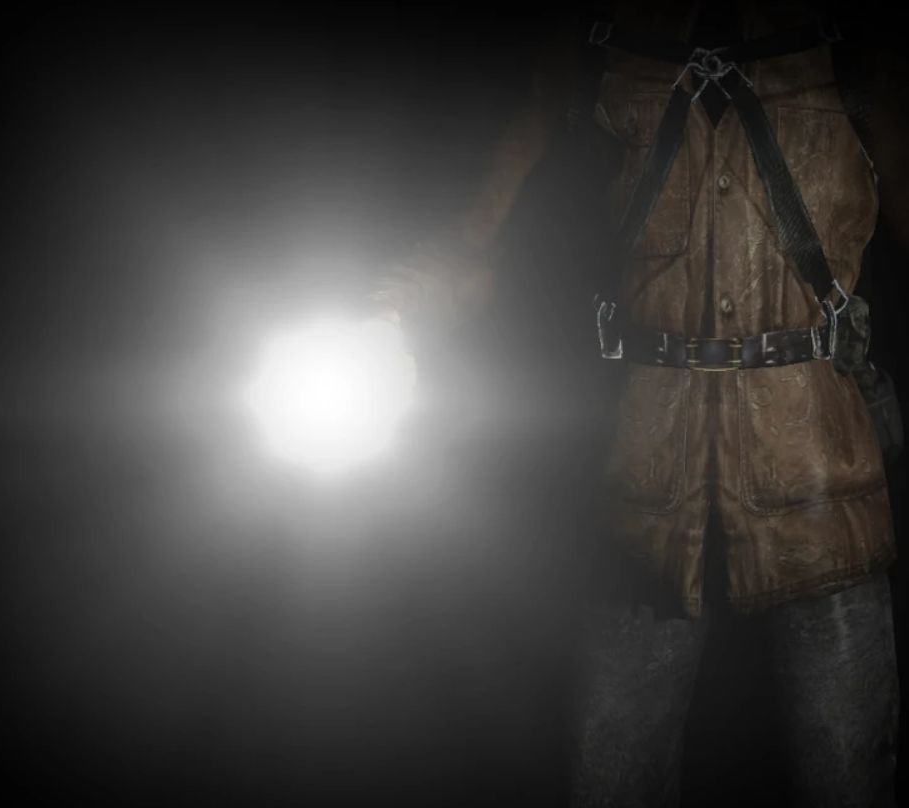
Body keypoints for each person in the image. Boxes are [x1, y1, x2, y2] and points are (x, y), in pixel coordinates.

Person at [372, 1, 906, 804]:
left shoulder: (854, 46)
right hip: (645, 486)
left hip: (823, 478)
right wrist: (392, 310)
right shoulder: (592, 43)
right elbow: (478, 230)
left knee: (850, 770)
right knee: (609, 770)